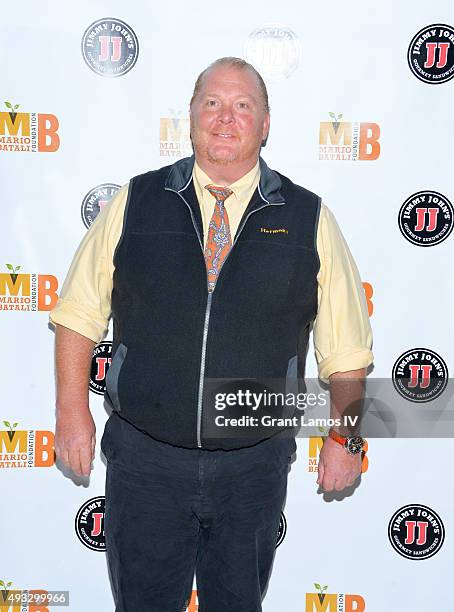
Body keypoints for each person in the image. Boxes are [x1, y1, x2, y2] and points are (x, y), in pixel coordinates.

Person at [50, 57, 373, 612]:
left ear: (266, 123)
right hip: (145, 461)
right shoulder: (136, 201)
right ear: (192, 117)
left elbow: (345, 351)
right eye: (213, 104)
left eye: (243, 106)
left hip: (253, 466)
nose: (226, 118)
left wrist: (343, 438)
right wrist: (70, 411)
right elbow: (78, 314)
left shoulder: (308, 217)